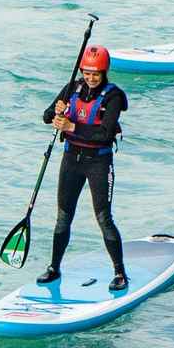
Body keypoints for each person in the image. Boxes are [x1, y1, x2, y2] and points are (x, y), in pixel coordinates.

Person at [38, 46, 129, 291]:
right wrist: (56, 113)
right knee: (63, 217)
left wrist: (71, 126)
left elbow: (105, 134)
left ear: (104, 72)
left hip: (98, 162)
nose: (90, 78)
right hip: (71, 160)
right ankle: (54, 268)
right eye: (87, 73)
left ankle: (120, 273)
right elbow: (46, 116)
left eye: (95, 74)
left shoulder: (113, 97)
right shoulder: (72, 88)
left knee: (103, 217)